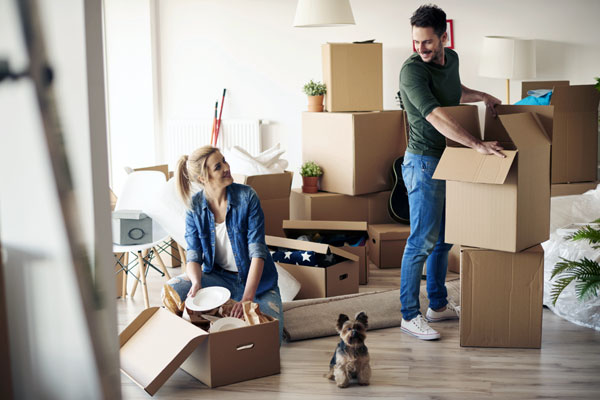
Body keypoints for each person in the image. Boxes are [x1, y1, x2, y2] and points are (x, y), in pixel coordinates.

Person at [398, 4, 505, 340]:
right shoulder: (411, 71)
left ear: (444, 37)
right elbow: (436, 115)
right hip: (423, 163)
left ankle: (438, 306)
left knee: (444, 240)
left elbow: (452, 92)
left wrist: (481, 95)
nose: (421, 49)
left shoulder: (453, 59)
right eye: (416, 42)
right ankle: (409, 314)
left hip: (448, 159)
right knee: (421, 242)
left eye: (428, 42)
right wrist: (476, 144)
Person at [165, 145, 284, 341]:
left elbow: (258, 253)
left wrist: (247, 299)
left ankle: (227, 310)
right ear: (203, 178)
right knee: (172, 291)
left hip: (258, 283)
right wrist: (196, 283)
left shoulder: (247, 197)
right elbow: (193, 254)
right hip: (218, 279)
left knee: (270, 337)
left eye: (224, 161)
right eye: (218, 167)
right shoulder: (194, 207)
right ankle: (210, 321)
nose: (226, 168)